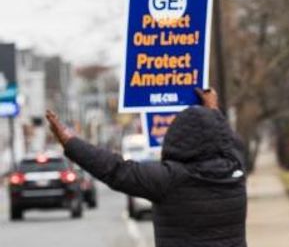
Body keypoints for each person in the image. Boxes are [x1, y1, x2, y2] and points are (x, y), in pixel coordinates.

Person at [45, 88, 247, 247]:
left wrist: (70, 143)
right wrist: (213, 110)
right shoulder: (236, 171)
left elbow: (115, 170)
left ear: (176, 138)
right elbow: (229, 141)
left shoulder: (168, 179)